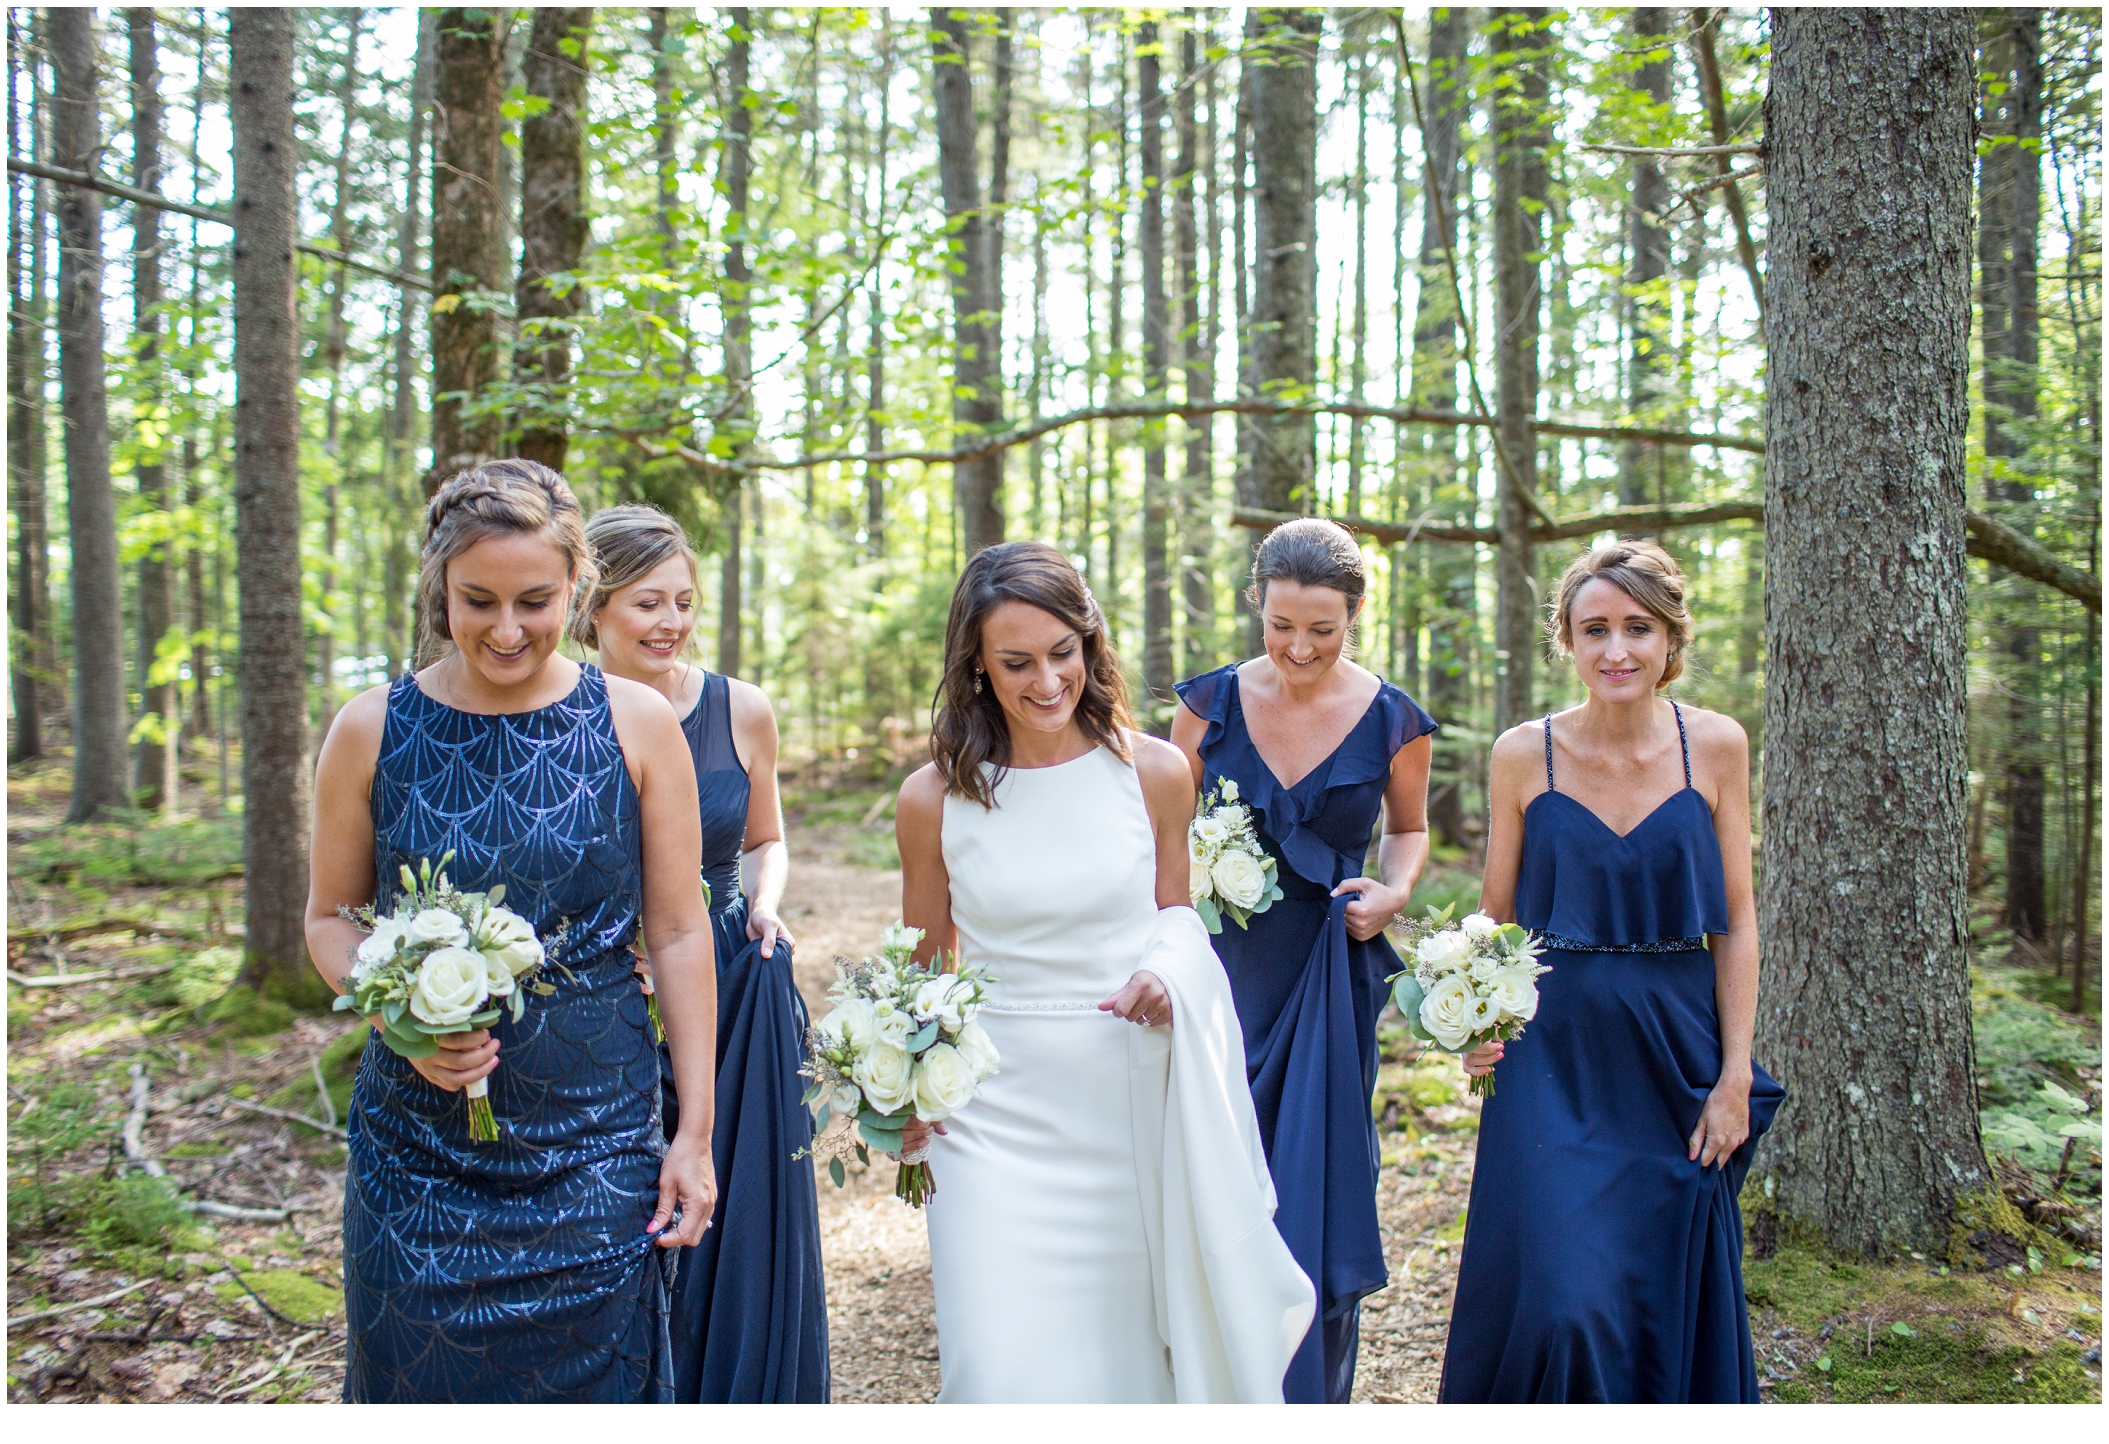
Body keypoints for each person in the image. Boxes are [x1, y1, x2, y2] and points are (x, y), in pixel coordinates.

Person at [306, 461, 717, 1404]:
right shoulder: (371, 729)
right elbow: (328, 920)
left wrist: (689, 1134)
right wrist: (396, 1014)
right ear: (437, 588)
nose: (505, 629)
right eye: (475, 600)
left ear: (576, 587)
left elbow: (679, 933)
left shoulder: (636, 722)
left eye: (534, 600)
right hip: (417, 1152)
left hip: (595, 1143)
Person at [896, 542, 1311, 1403]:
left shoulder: (1154, 772)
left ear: (1090, 646)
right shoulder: (932, 798)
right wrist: (899, 1091)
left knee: (1121, 1362)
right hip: (988, 1109)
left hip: (1125, 1100)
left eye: (1063, 653)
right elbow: (928, 961)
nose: (1046, 681)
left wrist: (1167, 971)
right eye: (1016, 662)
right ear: (975, 663)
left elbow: (1178, 919)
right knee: (995, 1361)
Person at [1439, 541, 1785, 1403]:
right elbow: (1495, 921)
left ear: (1671, 639)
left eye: (1638, 628)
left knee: (1648, 1297)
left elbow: (1735, 921)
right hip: (1549, 1062)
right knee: (1565, 1304)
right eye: (1594, 629)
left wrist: (1734, 1073)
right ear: (1566, 639)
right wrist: (1473, 1028)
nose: (1616, 650)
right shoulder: (1524, 754)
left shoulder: (1716, 747)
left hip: (1675, 1056)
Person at [1170, 517, 1437, 1403]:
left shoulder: (1394, 719)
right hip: (1219, 975)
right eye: (1281, 625)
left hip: (1328, 972)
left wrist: (1392, 893)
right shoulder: (1205, 706)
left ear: (1355, 614)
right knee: (1207, 1176)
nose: (1298, 647)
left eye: (1321, 629)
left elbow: (1407, 829)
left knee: (1310, 1189)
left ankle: (1303, 1398)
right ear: (1257, 604)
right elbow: (1160, 838)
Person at [576, 504, 827, 1403]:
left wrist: (764, 904)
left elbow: (767, 838)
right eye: (646, 603)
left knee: (738, 1205)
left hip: (727, 972)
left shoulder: (738, 709)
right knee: (629, 1205)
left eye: (683, 601)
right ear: (591, 606)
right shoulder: (562, 714)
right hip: (604, 979)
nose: (670, 623)